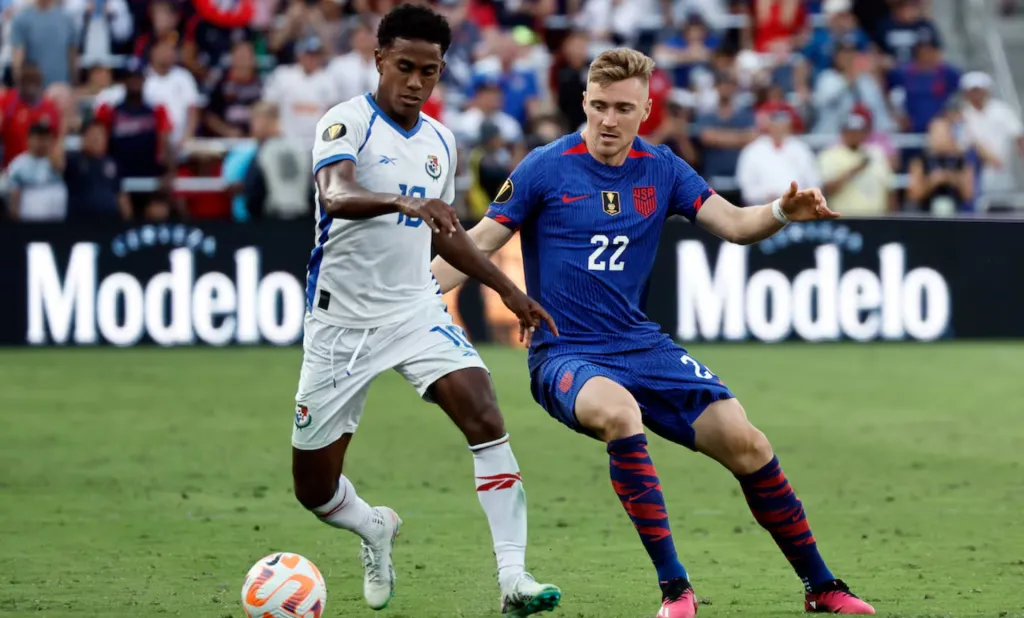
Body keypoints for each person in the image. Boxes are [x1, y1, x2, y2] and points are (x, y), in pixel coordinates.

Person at [431, 48, 877, 617]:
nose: (608, 120)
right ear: (584, 103)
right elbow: (480, 242)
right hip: (566, 353)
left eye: (622, 108)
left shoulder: (662, 167)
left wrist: (783, 211)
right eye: (597, 106)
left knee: (749, 443)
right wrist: (411, 288)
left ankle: (821, 586)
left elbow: (736, 224)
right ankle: (676, 592)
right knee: (620, 414)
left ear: (645, 109)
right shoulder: (545, 165)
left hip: (643, 345)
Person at [295, 5, 562, 616]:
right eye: (405, 67)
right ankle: (373, 527)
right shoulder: (347, 123)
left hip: (416, 309)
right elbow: (334, 195)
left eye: (430, 72)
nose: (416, 82)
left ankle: (513, 578)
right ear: (380, 59)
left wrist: (507, 289)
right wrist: (404, 203)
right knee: (313, 489)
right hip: (341, 323)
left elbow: (449, 234)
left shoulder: (441, 140)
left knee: (485, 414)